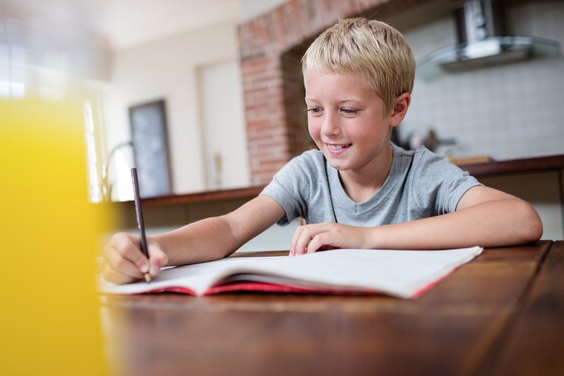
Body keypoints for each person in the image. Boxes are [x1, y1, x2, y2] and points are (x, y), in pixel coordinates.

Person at [102, 17, 542, 284]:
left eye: (348, 109)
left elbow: (520, 220)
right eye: (315, 108)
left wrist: (366, 238)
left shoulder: (423, 174)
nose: (327, 128)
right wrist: (155, 247)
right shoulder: (309, 172)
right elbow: (230, 229)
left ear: (397, 108)